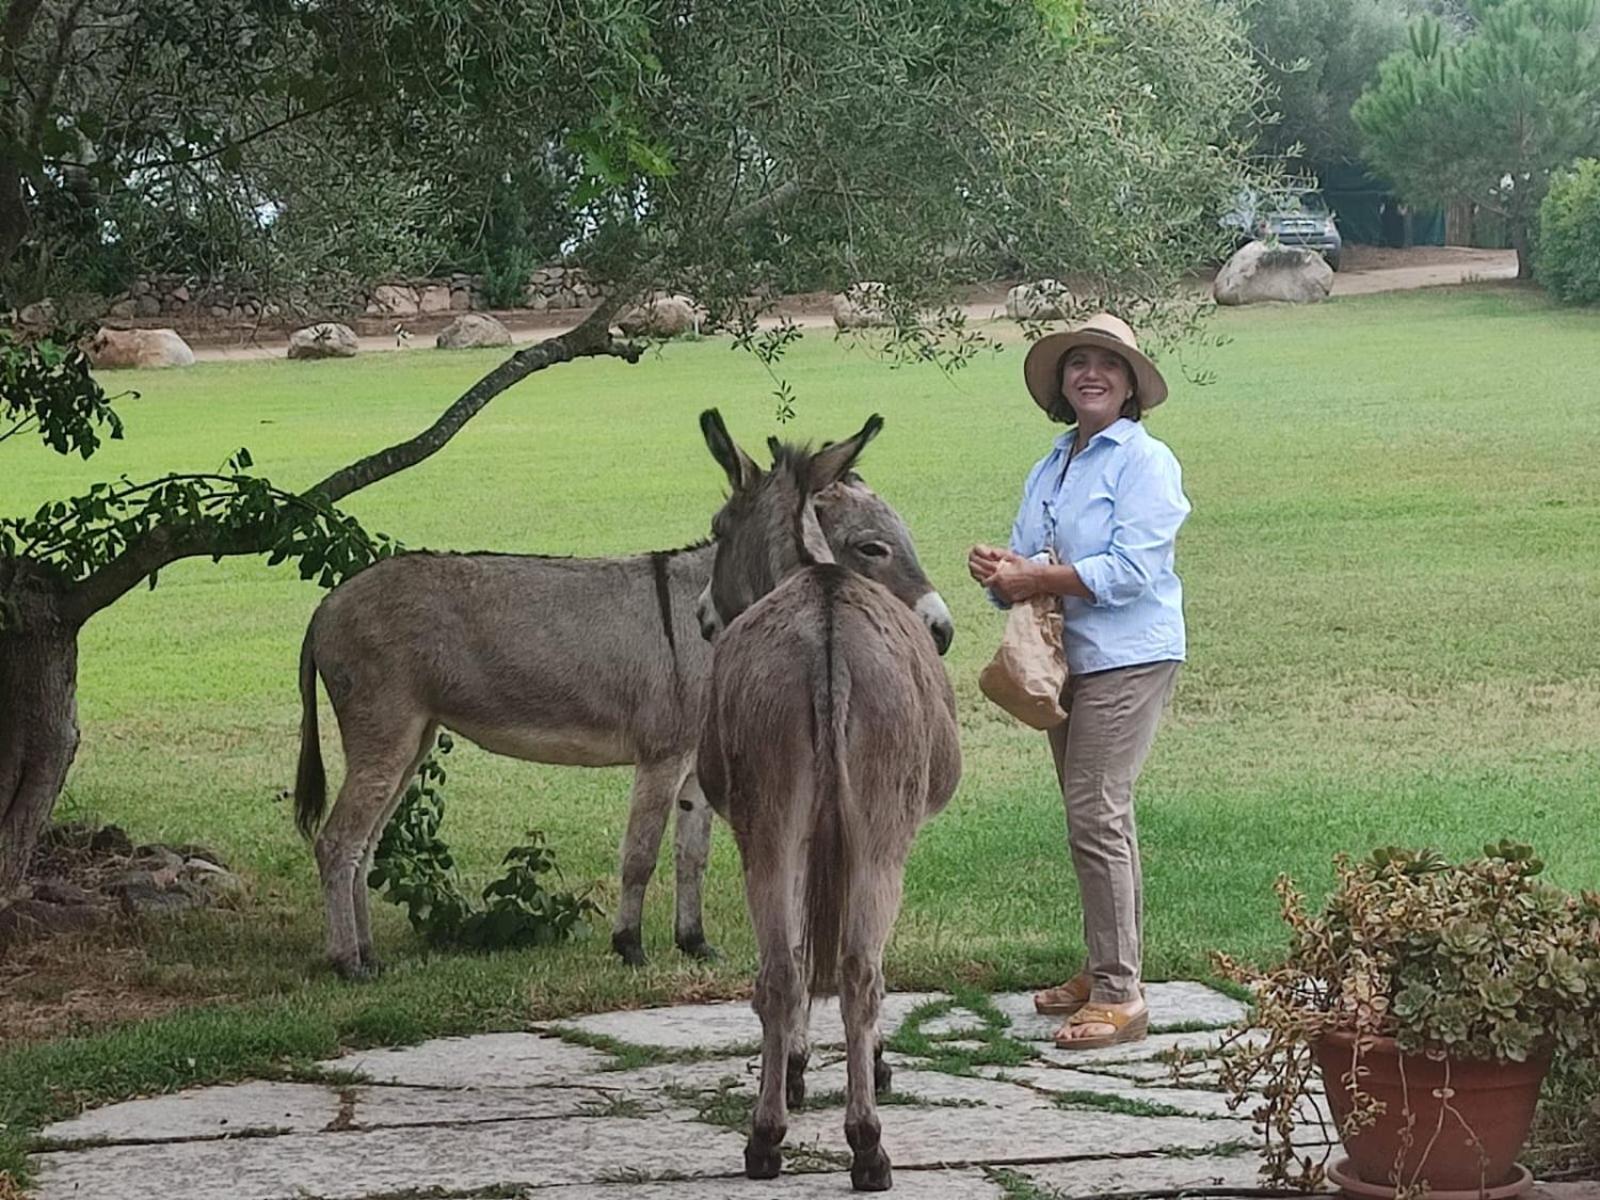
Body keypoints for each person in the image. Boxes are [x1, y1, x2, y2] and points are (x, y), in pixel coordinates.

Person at [967, 312, 1190, 1051]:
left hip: (1130, 656)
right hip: (1069, 662)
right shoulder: (1053, 464)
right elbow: (1032, 568)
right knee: (1093, 817)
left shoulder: (1145, 461)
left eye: (1107, 364)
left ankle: (1122, 995)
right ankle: (1105, 967)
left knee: (1096, 813)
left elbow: (1132, 572)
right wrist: (1002, 574)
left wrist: (1035, 573)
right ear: (1063, 384)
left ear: (1130, 387)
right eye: (1077, 363)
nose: (1090, 373)